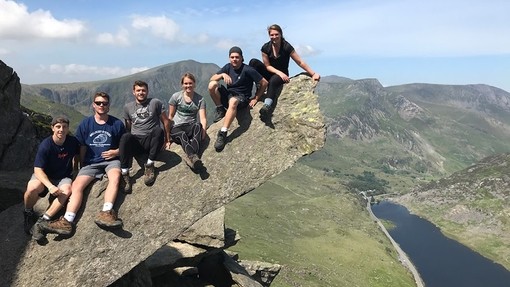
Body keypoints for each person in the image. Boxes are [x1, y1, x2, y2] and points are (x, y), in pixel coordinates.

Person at [35, 92, 126, 236]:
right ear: (93, 105)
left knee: (115, 178)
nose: (101, 105)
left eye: (104, 103)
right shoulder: (86, 124)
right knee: (76, 186)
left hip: (111, 160)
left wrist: (115, 153)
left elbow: (125, 145)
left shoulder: (117, 124)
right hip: (90, 163)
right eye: (98, 103)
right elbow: (81, 147)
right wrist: (80, 167)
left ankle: (107, 212)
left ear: (109, 105)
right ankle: (67, 221)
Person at [22, 116, 80, 241]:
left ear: (68, 129)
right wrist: (50, 186)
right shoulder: (46, 145)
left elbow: (77, 155)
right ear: (52, 128)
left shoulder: (72, 141)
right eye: (58, 127)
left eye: (64, 127)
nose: (61, 130)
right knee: (32, 189)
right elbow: (37, 169)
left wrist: (75, 169)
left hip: (63, 176)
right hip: (45, 176)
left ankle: (43, 221)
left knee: (66, 190)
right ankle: (28, 212)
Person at [249, 24, 321, 121]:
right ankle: (257, 88)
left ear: (281, 34)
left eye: (276, 34)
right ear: (269, 35)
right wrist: (278, 72)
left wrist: (313, 73)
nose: (274, 37)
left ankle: (267, 106)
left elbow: (300, 61)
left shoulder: (286, 46)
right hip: (272, 71)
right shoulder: (266, 48)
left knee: (273, 82)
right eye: (272, 35)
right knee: (253, 62)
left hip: (282, 76)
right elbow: (267, 66)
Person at [209, 46, 268, 152]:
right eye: (232, 57)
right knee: (212, 85)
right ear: (229, 58)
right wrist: (222, 74)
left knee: (233, 101)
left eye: (237, 57)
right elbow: (212, 78)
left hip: (241, 98)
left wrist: (256, 98)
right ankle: (220, 109)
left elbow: (264, 82)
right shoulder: (228, 67)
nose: (234, 59)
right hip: (229, 95)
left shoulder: (248, 70)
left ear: (241, 58)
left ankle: (223, 132)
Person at [119, 80, 171, 193]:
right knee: (125, 137)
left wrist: (167, 139)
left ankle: (150, 164)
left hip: (150, 140)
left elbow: (165, 121)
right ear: (133, 92)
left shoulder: (155, 103)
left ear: (147, 91)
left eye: (143, 90)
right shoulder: (128, 107)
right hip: (137, 142)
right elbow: (128, 127)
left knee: (158, 130)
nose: (141, 92)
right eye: (138, 90)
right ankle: (125, 173)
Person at [168, 72, 207, 171]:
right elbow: (170, 116)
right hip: (177, 127)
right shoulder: (176, 97)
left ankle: (191, 157)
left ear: (194, 84)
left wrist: (203, 132)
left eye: (190, 83)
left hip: (190, 126)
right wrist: (167, 138)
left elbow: (202, 118)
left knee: (198, 125)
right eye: (186, 83)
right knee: (181, 134)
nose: (188, 86)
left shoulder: (200, 99)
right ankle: (193, 156)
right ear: (182, 85)